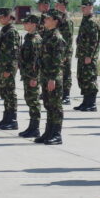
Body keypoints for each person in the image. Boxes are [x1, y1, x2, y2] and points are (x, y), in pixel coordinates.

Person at [37, 9, 67, 144]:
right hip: (46, 75)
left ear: (55, 20)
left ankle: (56, 134)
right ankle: (48, 132)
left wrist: (52, 79)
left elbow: (58, 60)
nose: (45, 20)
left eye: (48, 18)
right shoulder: (47, 35)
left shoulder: (57, 37)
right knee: (48, 105)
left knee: (55, 106)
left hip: (53, 77)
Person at [0, 8, 20, 130]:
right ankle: (6, 118)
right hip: (3, 66)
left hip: (8, 67)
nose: (0, 19)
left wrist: (8, 69)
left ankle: (12, 120)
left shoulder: (12, 32)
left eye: (3, 17)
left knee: (10, 93)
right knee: (4, 92)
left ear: (9, 17)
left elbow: (13, 53)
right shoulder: (5, 30)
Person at [74, 0, 100, 111]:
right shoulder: (85, 20)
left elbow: (93, 41)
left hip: (88, 56)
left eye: (85, 7)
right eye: (82, 7)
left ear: (91, 7)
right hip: (82, 55)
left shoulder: (91, 22)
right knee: (83, 78)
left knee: (90, 79)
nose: (83, 9)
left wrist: (89, 55)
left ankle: (91, 103)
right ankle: (86, 102)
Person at [18, 14, 42, 139]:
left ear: (33, 24)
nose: (24, 24)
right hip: (26, 74)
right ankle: (31, 127)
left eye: (26, 22)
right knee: (29, 99)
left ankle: (35, 128)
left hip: (32, 76)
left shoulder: (36, 39)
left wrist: (34, 77)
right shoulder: (28, 37)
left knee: (33, 101)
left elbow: (37, 61)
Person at [55, 0, 75, 104]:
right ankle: (61, 94)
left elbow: (67, 39)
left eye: (58, 4)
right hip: (60, 51)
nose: (56, 6)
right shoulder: (59, 17)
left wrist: (65, 54)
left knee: (66, 73)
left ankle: (66, 96)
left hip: (65, 51)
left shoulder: (66, 19)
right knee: (60, 73)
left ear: (63, 5)